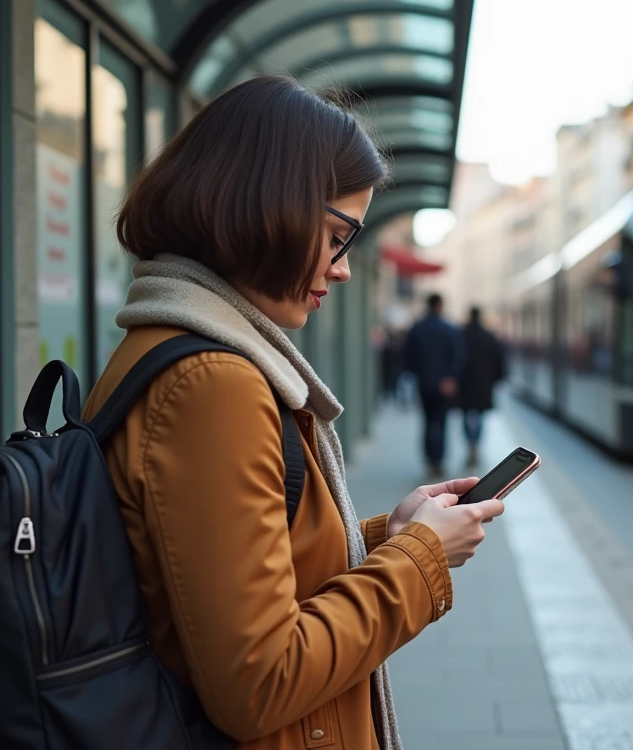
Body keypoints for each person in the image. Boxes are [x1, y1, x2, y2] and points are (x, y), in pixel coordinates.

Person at [81, 75, 504, 750]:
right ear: (267, 208)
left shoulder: (174, 346)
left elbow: (243, 569)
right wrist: (422, 559)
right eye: (337, 234)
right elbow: (261, 682)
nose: (341, 267)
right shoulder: (212, 383)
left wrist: (387, 536)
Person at [405, 294, 464, 476]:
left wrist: (421, 375)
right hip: (444, 385)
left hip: (424, 384)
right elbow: (458, 357)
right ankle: (439, 461)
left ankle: (430, 461)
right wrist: (450, 378)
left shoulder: (417, 329)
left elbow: (409, 358)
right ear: (440, 305)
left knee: (428, 422)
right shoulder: (450, 329)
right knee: (442, 423)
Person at [457, 307, 507, 467]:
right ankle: (476, 443)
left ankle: (470, 443)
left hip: (464, 383)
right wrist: (498, 379)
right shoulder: (489, 337)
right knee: (480, 416)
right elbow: (499, 360)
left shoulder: (461, 335)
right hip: (484, 383)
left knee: (466, 414)